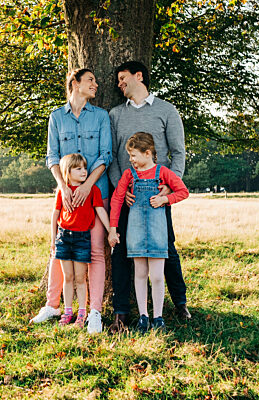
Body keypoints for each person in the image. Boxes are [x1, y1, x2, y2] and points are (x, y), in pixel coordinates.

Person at [108, 61, 191, 333]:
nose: (119, 83)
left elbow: (178, 153)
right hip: (128, 196)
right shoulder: (116, 114)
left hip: (157, 195)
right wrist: (123, 187)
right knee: (121, 251)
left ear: (139, 76)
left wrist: (169, 186)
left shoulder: (166, 111)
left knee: (166, 248)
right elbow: (113, 157)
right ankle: (121, 311)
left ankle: (180, 303)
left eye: (123, 78)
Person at [30, 68, 112, 334]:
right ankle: (53, 305)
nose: (95, 85)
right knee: (58, 251)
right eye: (90, 80)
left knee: (96, 253)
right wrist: (63, 187)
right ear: (75, 84)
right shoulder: (56, 117)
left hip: (96, 193)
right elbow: (52, 157)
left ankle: (94, 312)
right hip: (66, 197)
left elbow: (105, 155)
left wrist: (88, 185)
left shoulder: (101, 117)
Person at [52, 153, 112, 328]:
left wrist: (111, 232)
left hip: (82, 239)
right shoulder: (63, 192)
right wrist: (52, 240)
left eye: (85, 168)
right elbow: (55, 215)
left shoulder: (93, 190)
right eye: (78, 168)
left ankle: (82, 314)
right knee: (68, 277)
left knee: (80, 277)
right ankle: (68, 310)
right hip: (63, 237)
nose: (84, 171)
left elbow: (100, 211)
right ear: (67, 172)